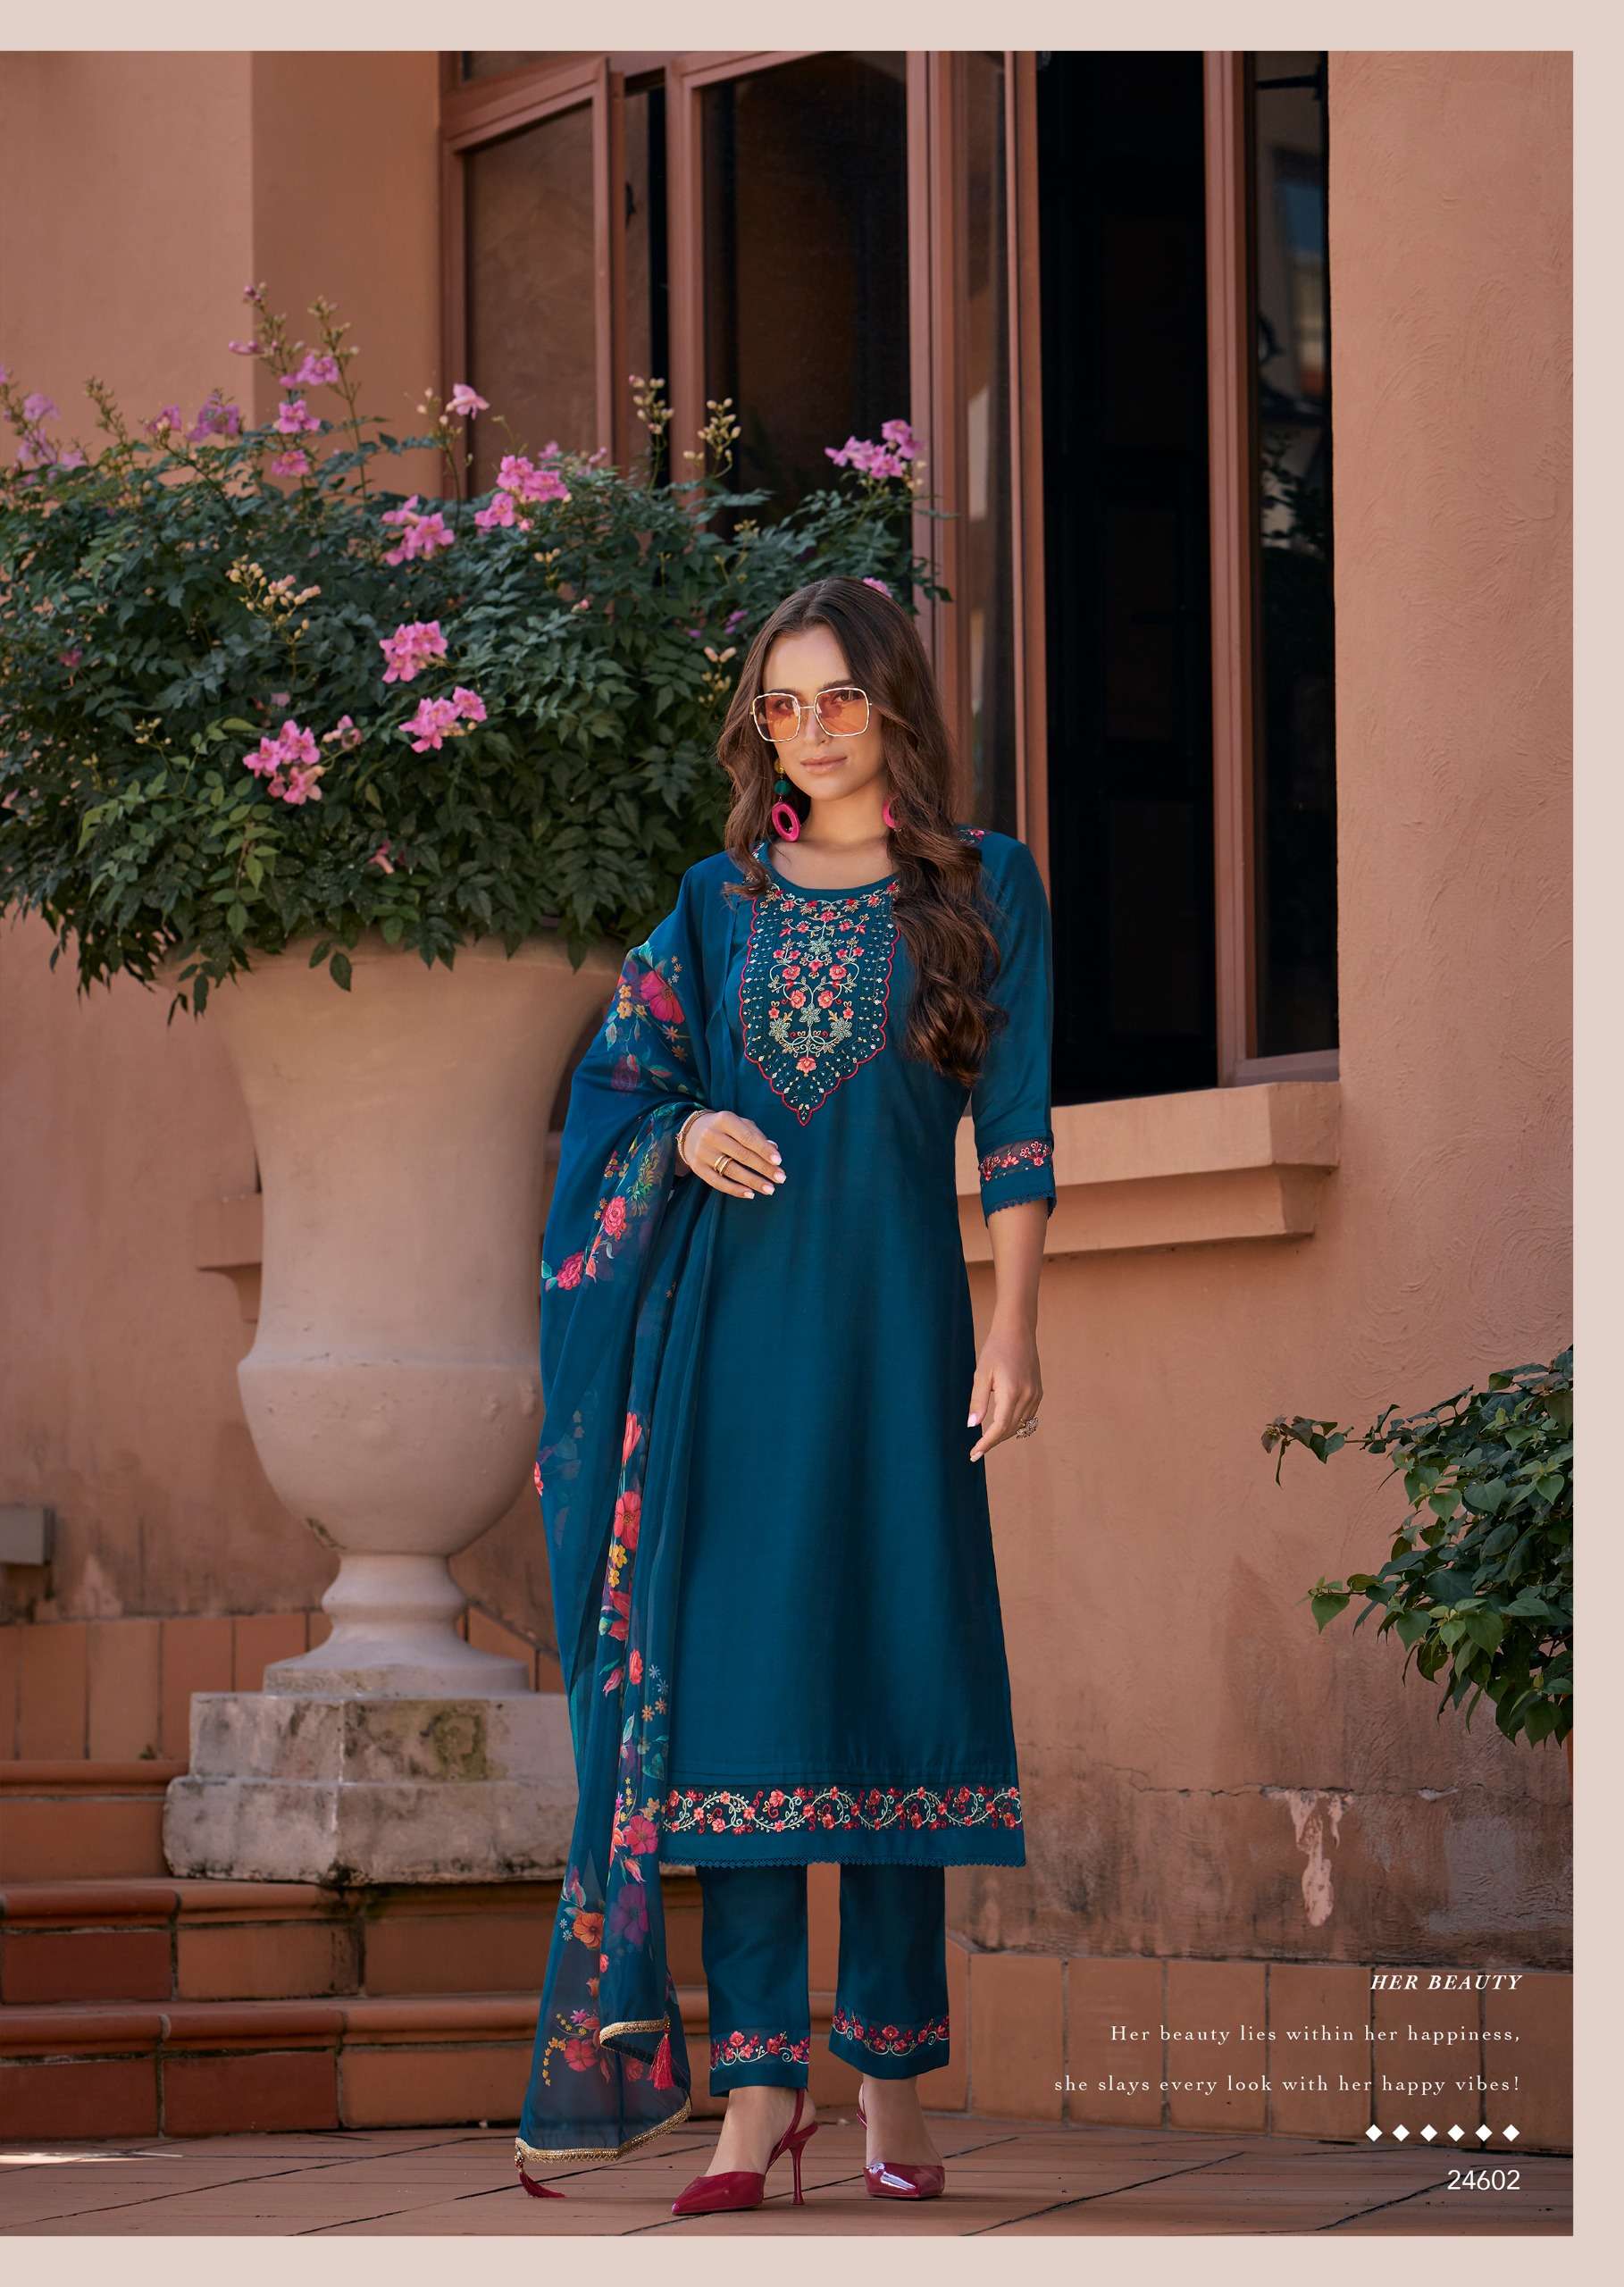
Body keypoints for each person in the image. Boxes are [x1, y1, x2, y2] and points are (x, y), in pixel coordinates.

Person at [515, 574, 1055, 2212]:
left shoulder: (984, 886)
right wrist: (678, 1132)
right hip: (730, 1355)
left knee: (890, 1680)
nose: (808, 730)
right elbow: (619, 1090)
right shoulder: (715, 903)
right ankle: (757, 2095)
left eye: (839, 698)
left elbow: (1015, 1127)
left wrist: (1012, 1330)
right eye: (781, 702)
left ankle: (889, 2081)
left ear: (894, 706)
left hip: (897, 1342)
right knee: (739, 1709)